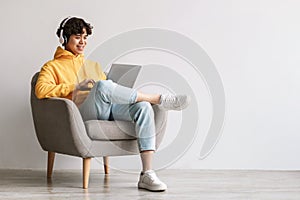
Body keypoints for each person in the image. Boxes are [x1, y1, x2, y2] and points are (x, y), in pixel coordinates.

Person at [35, 16, 190, 192]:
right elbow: (41, 90)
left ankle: (147, 173)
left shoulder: (91, 65)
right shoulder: (52, 66)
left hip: (106, 108)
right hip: (80, 113)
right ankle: (158, 98)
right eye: (78, 36)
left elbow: (108, 91)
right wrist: (76, 87)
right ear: (64, 38)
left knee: (143, 107)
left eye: (85, 38)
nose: (82, 42)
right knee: (102, 85)